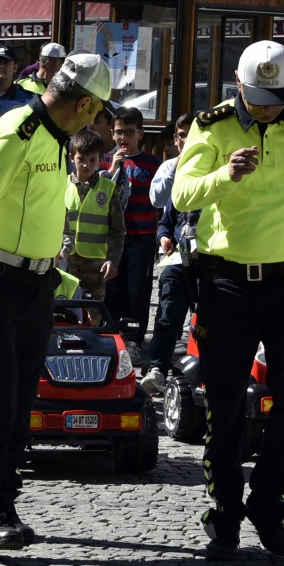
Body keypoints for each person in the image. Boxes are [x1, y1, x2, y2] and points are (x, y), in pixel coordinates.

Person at [171, 40, 284, 559]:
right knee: (224, 405)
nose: (269, 109)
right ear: (239, 87)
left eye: (278, 99)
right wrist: (225, 175)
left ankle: (269, 502)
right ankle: (225, 514)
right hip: (225, 282)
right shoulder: (212, 126)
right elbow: (181, 194)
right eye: (259, 99)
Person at [0, 53, 112, 550]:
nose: (96, 121)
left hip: (38, 282)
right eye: (97, 111)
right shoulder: (17, 129)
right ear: (83, 104)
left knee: (22, 400)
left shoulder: (55, 137)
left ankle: (7, 501)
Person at [141, 113, 197, 396]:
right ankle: (157, 370)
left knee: (208, 324)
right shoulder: (178, 175)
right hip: (178, 261)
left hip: (210, 263)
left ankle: (204, 371)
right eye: (182, 135)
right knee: (167, 317)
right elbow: (166, 220)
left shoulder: (218, 174)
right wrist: (164, 237)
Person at [103, 107, 159, 355]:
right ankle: (114, 335)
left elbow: (160, 201)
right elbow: (97, 196)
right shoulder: (105, 161)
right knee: (112, 287)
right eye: (118, 132)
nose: (123, 137)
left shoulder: (152, 164)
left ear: (140, 134)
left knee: (138, 289)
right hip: (113, 237)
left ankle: (135, 339)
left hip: (142, 236)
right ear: (112, 134)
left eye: (129, 132)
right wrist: (112, 171)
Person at [61, 128, 124, 303]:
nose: (86, 165)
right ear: (71, 157)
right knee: (64, 307)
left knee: (93, 310)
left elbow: (118, 230)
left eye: (92, 160)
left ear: (100, 159)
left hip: (96, 264)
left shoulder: (108, 188)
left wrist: (112, 260)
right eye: (81, 159)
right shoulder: (61, 185)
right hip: (66, 260)